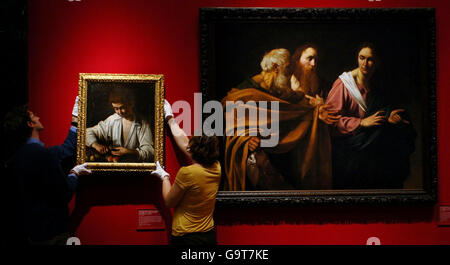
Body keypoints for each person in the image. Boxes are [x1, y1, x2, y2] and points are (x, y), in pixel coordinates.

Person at [222, 48, 339, 191]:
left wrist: (317, 108)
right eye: (288, 67)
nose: (291, 71)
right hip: (257, 153)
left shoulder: (278, 87)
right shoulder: (247, 91)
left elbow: (296, 102)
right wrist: (245, 139)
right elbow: (227, 116)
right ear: (275, 68)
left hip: (279, 151)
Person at [325, 43, 416, 189]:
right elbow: (331, 121)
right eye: (362, 58)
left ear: (377, 62)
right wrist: (361, 123)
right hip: (349, 146)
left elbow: (380, 109)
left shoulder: (376, 84)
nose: (365, 64)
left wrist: (388, 115)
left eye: (370, 59)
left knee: (399, 129)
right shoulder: (344, 84)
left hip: (370, 142)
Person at [2, 98, 91, 245]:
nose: (38, 117)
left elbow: (64, 151)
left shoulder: (18, 156)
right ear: (30, 124)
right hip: (53, 233)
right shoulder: (41, 154)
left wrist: (75, 120)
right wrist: (74, 174)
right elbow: (64, 193)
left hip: (34, 232)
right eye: (33, 116)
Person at [150, 100, 221, 245]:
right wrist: (170, 119)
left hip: (187, 237)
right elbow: (185, 144)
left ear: (194, 149)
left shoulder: (188, 173)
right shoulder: (217, 168)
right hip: (208, 236)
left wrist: (164, 177)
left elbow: (169, 201)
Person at [86, 87, 154, 162]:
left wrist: (130, 152)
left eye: (122, 108)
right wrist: (96, 145)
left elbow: (150, 153)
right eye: (116, 108)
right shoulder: (112, 120)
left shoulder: (142, 124)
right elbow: (86, 132)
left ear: (131, 104)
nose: (119, 112)